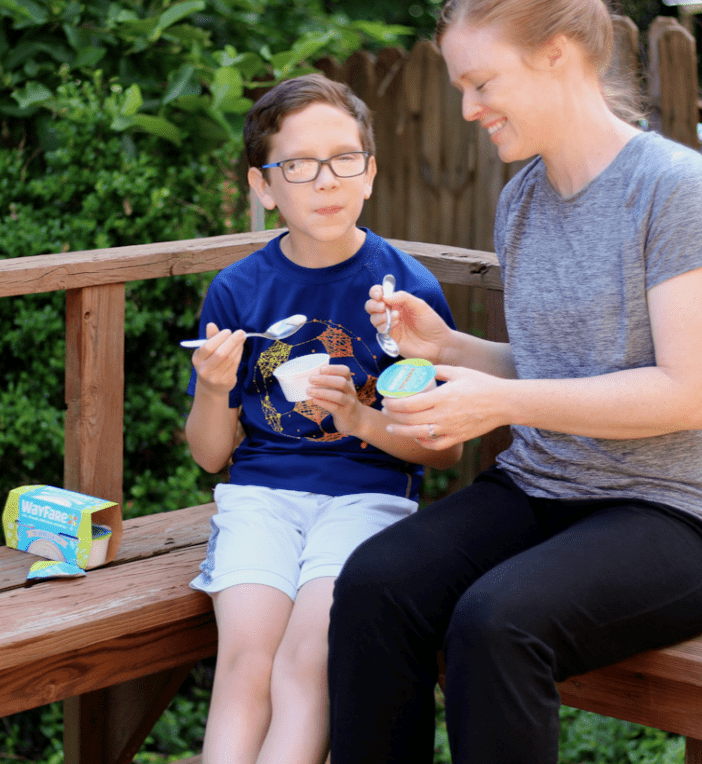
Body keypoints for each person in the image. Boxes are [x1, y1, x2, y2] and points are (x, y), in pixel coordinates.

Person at [326, 1, 702, 763]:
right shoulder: (522, 199)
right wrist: (450, 347)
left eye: (482, 82)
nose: (469, 109)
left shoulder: (673, 187)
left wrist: (501, 402)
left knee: (498, 623)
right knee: (373, 584)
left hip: (680, 516)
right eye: (461, 88)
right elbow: (552, 370)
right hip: (545, 485)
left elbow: (689, 393)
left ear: (557, 54)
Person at [185, 73, 462, 764]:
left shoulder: (407, 292)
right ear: (263, 186)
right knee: (246, 662)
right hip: (260, 500)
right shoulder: (238, 290)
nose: (326, 180)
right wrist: (212, 388)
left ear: (370, 172)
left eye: (344, 158)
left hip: (367, 501)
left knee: (306, 662)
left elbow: (444, 450)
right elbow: (211, 455)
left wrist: (359, 419)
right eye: (299, 165)